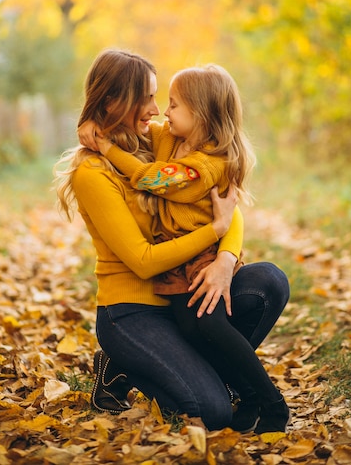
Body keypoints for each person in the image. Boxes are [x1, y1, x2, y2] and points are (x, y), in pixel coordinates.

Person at [56, 49, 290, 432]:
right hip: (132, 311)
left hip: (181, 292)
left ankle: (224, 381)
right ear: (113, 102)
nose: (155, 110)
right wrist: (211, 233)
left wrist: (224, 261)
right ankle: (122, 365)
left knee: (269, 282)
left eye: (159, 98)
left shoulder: (160, 141)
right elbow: (144, 261)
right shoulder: (93, 171)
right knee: (212, 414)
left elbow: (225, 207)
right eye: (145, 98)